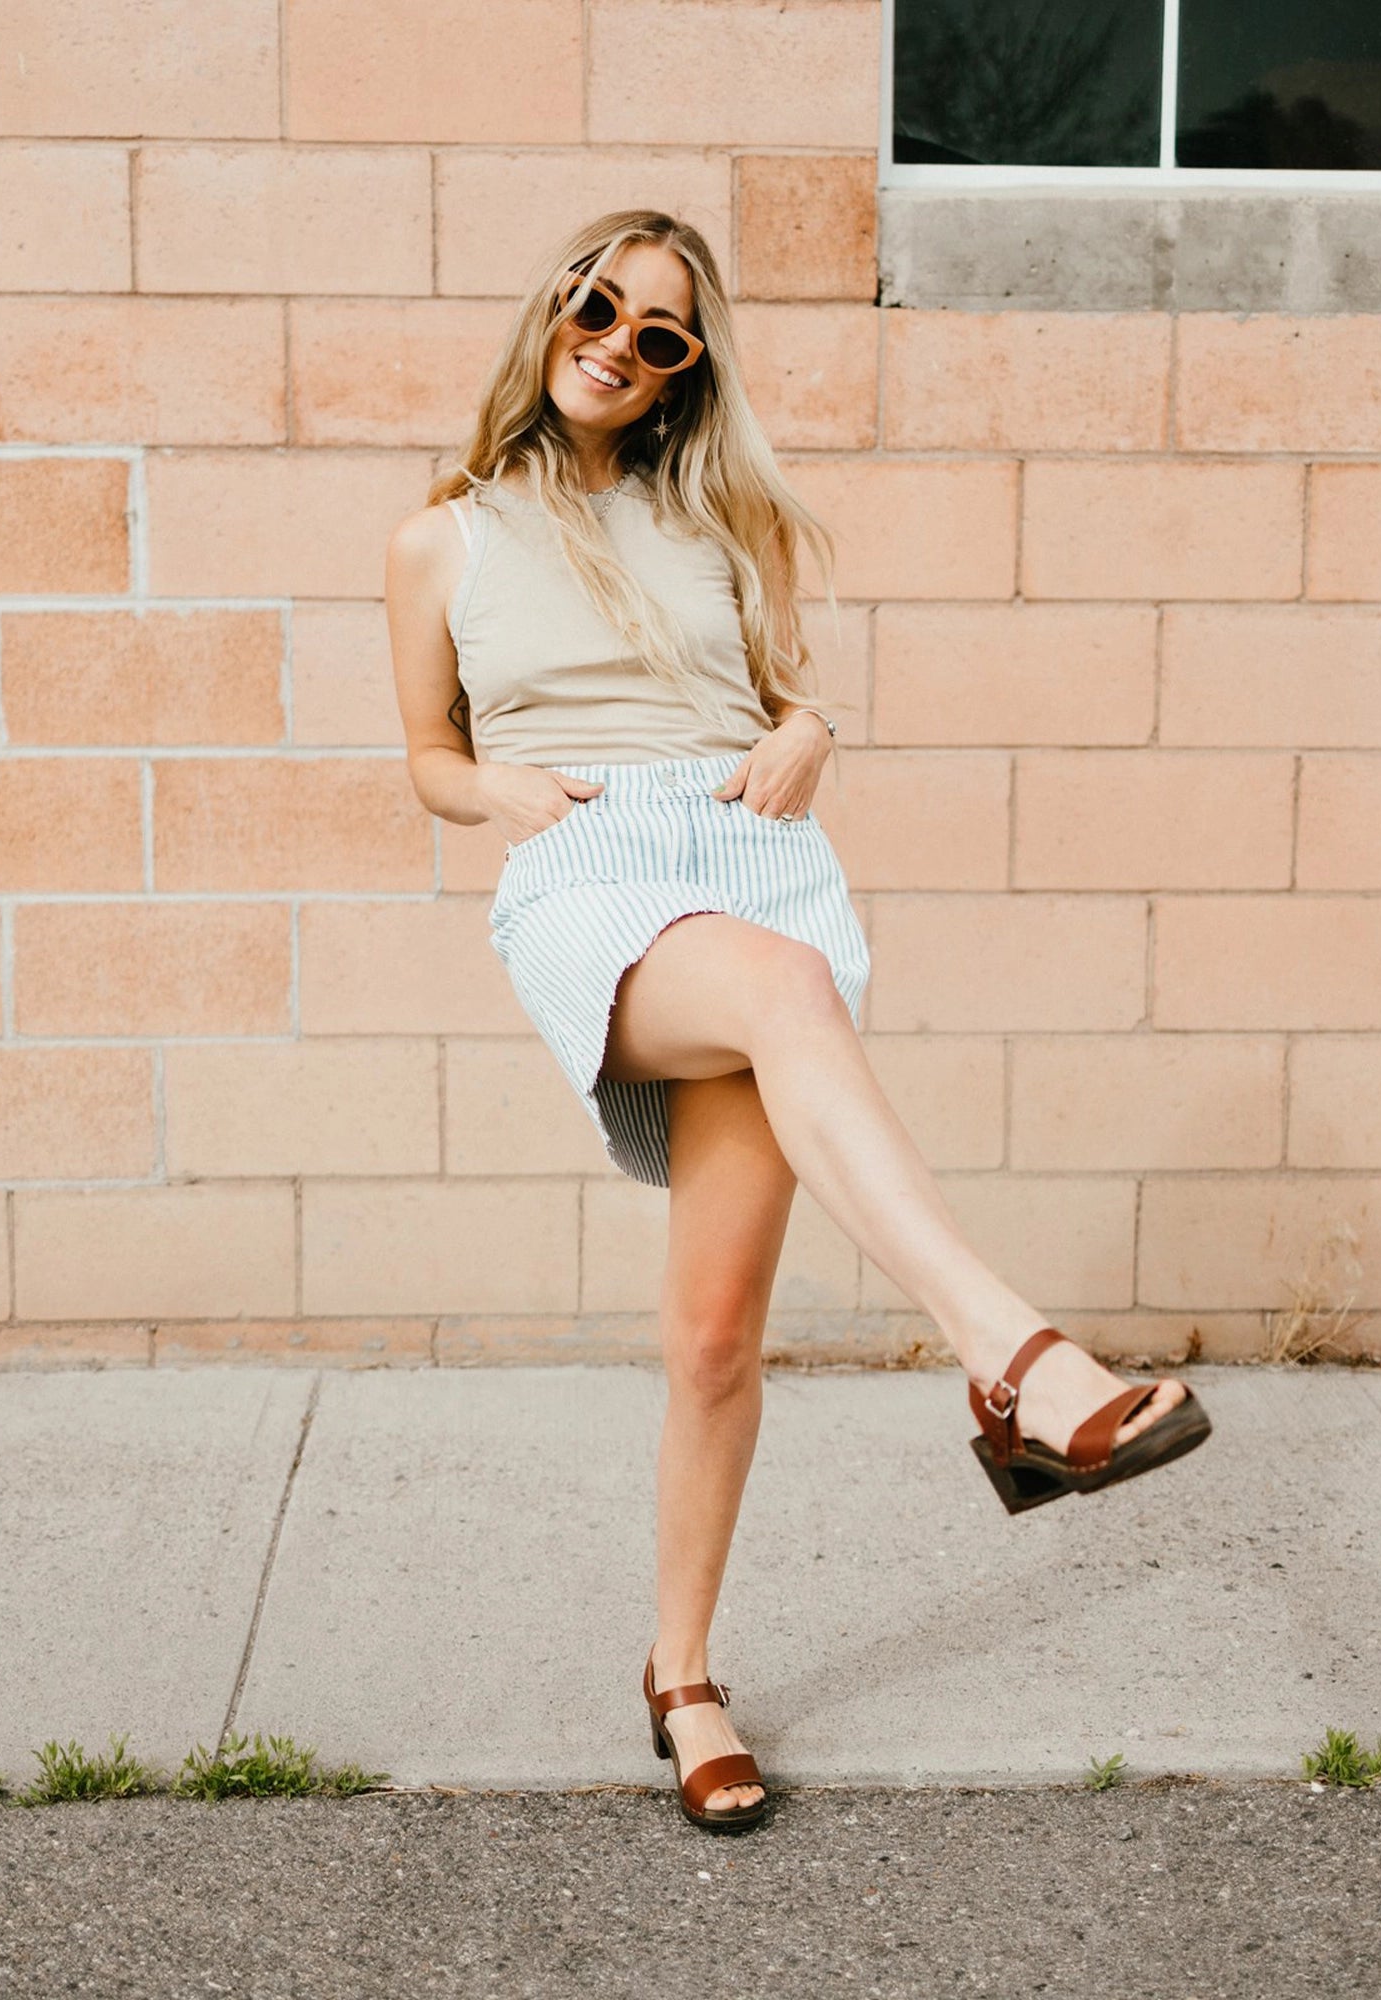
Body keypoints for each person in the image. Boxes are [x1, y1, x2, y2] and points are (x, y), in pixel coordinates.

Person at [384, 210, 1211, 1835]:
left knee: (711, 1339)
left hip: (748, 861)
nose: (620, 341)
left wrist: (816, 725)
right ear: (556, 302)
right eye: (601, 304)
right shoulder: (443, 537)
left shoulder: (723, 518)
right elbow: (423, 747)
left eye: (663, 334)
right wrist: (493, 788)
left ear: (691, 372)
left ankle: (679, 1677)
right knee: (782, 990)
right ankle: (1011, 1360)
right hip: (591, 874)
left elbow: (781, 691)